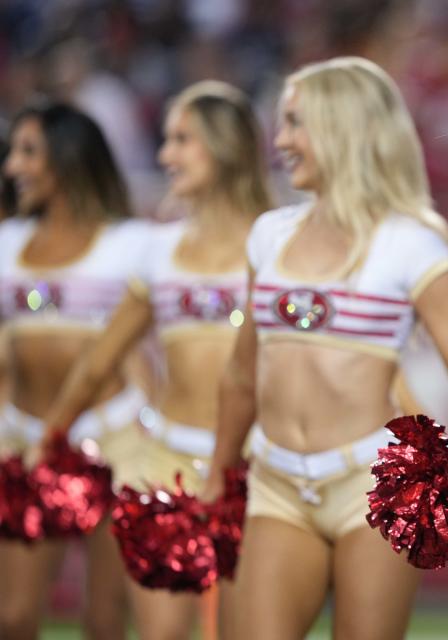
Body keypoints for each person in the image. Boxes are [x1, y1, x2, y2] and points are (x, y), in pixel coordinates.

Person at [203, 57, 448, 640]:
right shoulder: (269, 233)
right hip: (275, 481)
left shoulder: (411, 241)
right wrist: (216, 475)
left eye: (296, 122)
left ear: (341, 127)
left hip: (371, 485)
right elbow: (241, 373)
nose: (281, 141)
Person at [43, 81, 272, 639]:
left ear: (224, 145)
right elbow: (100, 360)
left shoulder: (277, 243)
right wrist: (47, 439)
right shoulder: (159, 249)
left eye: (181, 140)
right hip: (160, 469)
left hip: (255, 473)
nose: (165, 155)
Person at [0, 102, 148, 640]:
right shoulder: (7, 243)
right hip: (25, 441)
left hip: (112, 441)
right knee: (12, 617)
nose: (13, 166)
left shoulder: (131, 244)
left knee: (104, 621)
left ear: (68, 159)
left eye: (29, 152)